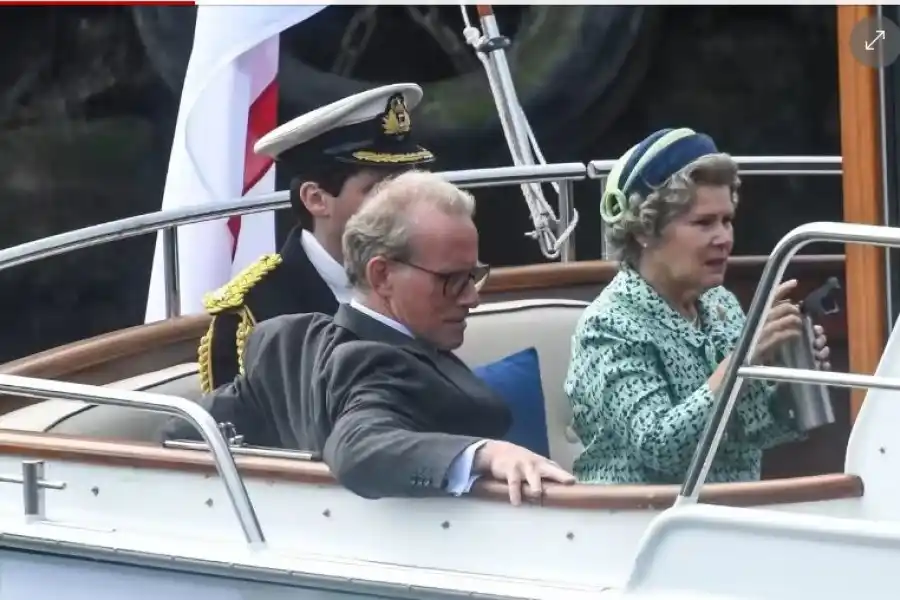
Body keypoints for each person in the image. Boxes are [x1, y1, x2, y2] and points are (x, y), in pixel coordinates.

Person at [165, 170, 575, 505]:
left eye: (474, 276)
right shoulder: (376, 365)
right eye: (452, 280)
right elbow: (358, 448)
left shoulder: (285, 340)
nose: (472, 297)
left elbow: (183, 433)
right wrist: (488, 454)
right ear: (382, 275)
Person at [564, 127, 831, 485]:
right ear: (644, 230)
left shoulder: (720, 304)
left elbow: (749, 431)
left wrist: (794, 378)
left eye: (727, 220)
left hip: (725, 518)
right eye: (704, 223)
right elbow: (659, 446)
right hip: (638, 526)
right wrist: (741, 361)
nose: (724, 238)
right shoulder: (609, 326)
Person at [198, 83, 436, 393]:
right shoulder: (256, 312)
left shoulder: (426, 275)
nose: (406, 205)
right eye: (379, 190)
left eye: (409, 186)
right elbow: (240, 433)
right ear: (316, 199)